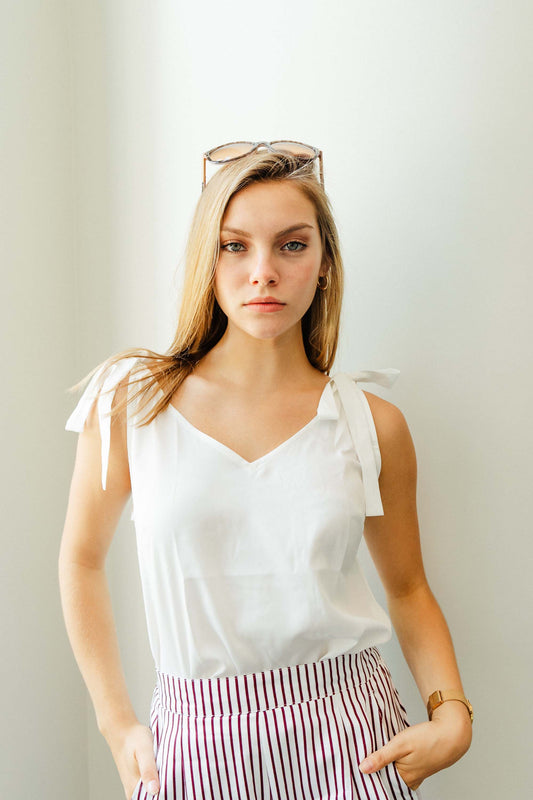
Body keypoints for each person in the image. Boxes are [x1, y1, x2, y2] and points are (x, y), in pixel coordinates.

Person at [59, 141, 473, 800]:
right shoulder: (132, 404)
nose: (263, 272)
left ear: (325, 265)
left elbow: (407, 587)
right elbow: (81, 560)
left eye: (291, 245)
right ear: (207, 259)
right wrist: (116, 724)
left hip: (349, 738)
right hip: (192, 746)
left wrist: (452, 713)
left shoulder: (372, 423)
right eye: (234, 246)